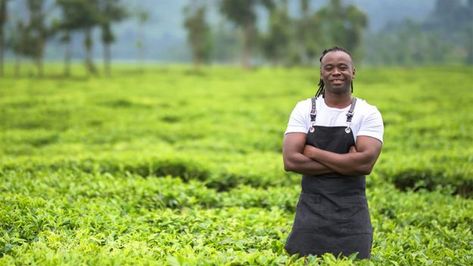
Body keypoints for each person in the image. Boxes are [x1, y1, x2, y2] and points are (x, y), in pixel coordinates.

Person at [282, 46, 383, 259]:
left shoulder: (368, 113)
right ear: (321, 73)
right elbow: (291, 161)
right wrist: (347, 161)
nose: (336, 72)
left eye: (342, 67)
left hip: (352, 216)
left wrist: (313, 152)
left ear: (353, 72)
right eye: (329, 67)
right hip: (310, 214)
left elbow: (364, 165)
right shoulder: (304, 109)